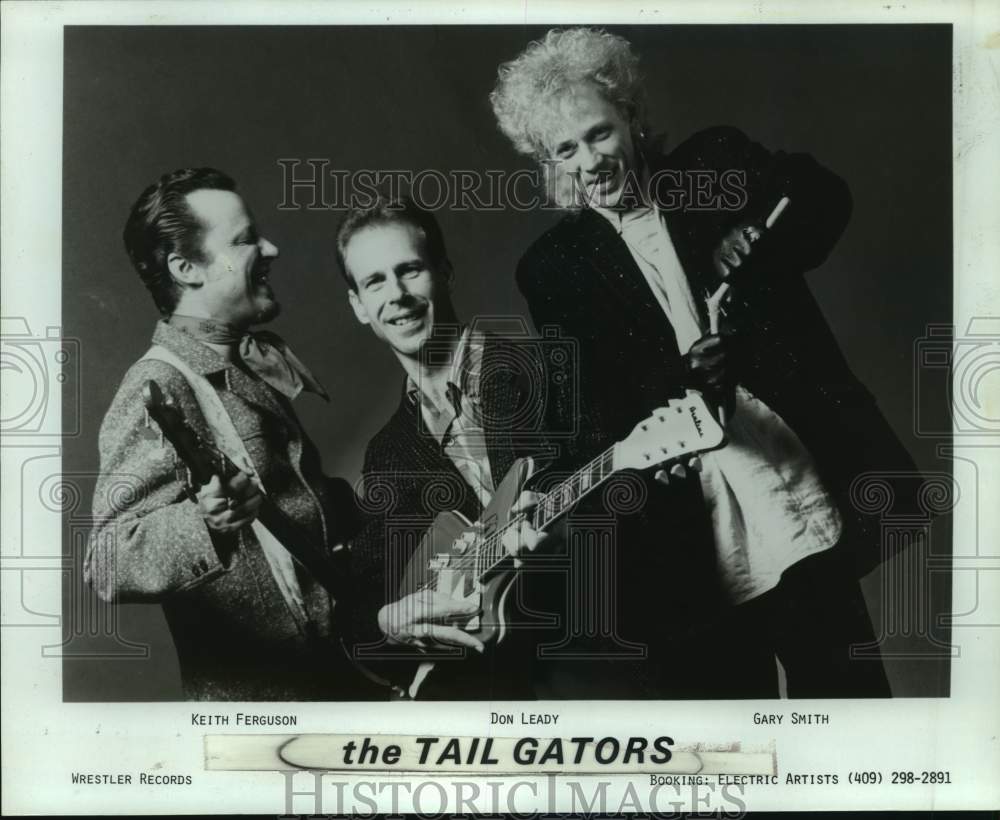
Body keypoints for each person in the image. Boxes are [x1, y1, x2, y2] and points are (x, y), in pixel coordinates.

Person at [490, 27, 919, 697]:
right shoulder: (551, 268)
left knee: (849, 705)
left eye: (599, 134)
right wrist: (680, 382)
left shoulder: (711, 164)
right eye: (565, 149)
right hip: (686, 527)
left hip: (785, 472)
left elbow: (820, 193)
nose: (590, 162)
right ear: (547, 160)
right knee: (728, 730)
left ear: (631, 115)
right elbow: (592, 410)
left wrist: (756, 238)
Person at [85, 167, 369, 701]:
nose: (271, 248)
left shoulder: (243, 365)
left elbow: (302, 505)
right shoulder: (158, 384)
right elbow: (106, 563)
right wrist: (203, 522)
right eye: (245, 240)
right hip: (263, 709)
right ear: (185, 268)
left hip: (338, 682)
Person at [337, 196, 561, 700]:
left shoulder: (547, 371)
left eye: (410, 270)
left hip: (594, 664)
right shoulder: (387, 454)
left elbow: (632, 504)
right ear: (358, 306)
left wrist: (566, 535)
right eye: (375, 282)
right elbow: (361, 603)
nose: (397, 295)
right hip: (490, 689)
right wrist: (387, 619)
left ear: (444, 272)